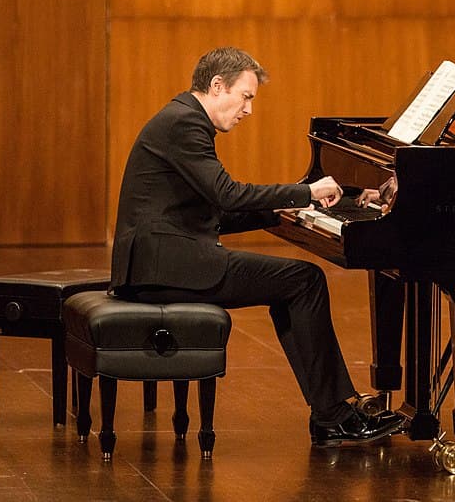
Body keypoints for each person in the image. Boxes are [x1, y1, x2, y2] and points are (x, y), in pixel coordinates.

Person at [109, 46, 403, 446]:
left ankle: (329, 413)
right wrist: (303, 192)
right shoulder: (184, 124)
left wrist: (305, 206)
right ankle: (332, 415)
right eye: (245, 97)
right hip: (164, 267)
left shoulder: (182, 119)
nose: (248, 109)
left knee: (293, 284)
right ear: (217, 85)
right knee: (304, 280)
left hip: (162, 260)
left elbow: (213, 213)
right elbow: (227, 195)